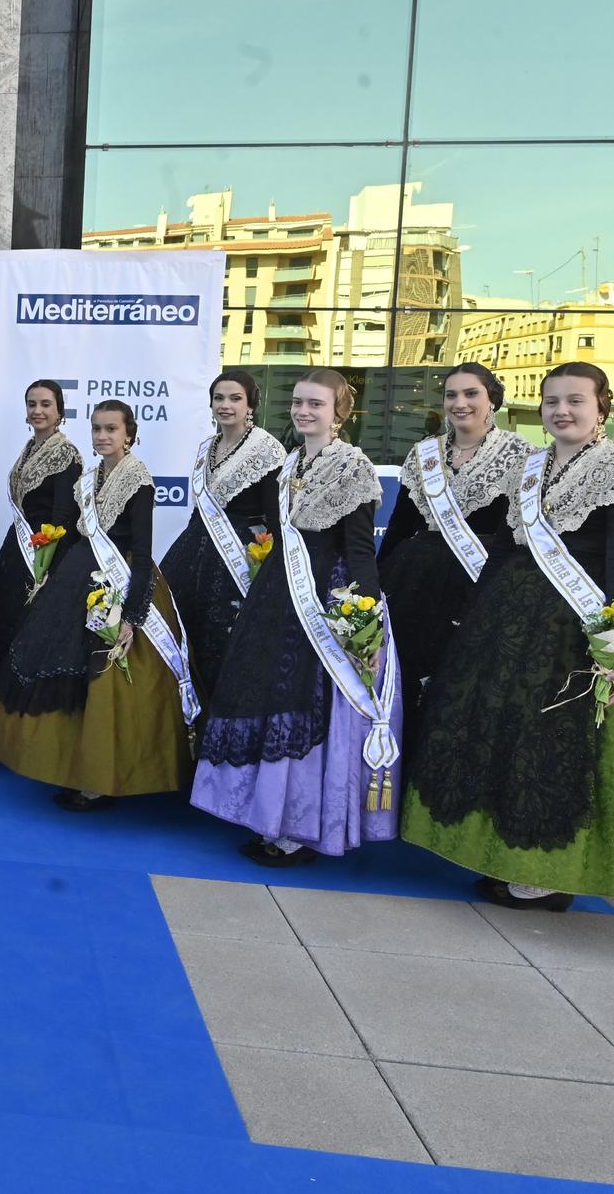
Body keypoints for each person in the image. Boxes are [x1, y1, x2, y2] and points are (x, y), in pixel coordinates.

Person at [403, 362, 614, 908]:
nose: (561, 411)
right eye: (552, 401)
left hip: (581, 627)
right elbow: (509, 547)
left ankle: (551, 873)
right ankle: (504, 852)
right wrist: (475, 613)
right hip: (513, 620)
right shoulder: (531, 468)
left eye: (575, 401)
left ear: (602, 406)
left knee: (557, 741)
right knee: (506, 734)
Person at [191, 369, 398, 866]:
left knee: (306, 705)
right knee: (269, 695)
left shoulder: (354, 467)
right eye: (299, 403)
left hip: (325, 598)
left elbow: (359, 548)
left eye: (316, 405)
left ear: (339, 412)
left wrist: (362, 621)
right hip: (279, 592)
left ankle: (300, 828)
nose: (305, 412)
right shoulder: (291, 464)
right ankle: (268, 817)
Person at [0, 401, 194, 810]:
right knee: (69, 679)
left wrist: (133, 616)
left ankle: (101, 779)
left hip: (119, 581)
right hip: (78, 578)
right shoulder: (90, 477)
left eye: (112, 429)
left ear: (129, 434)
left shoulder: (139, 481)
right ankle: (71, 767)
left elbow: (142, 548)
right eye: (97, 429)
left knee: (106, 686)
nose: (103, 436)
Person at [378, 363, 532, 749]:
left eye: (471, 394)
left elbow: (518, 532)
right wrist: (374, 587)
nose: (459, 403)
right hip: (415, 580)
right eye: (451, 395)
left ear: (492, 399)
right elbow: (400, 525)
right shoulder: (423, 454)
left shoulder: (522, 454)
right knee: (407, 674)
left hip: (479, 579)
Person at [158, 370, 285, 708]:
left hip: (239, 555)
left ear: (250, 405)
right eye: (219, 398)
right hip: (195, 550)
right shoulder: (206, 447)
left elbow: (275, 517)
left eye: (235, 398)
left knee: (223, 641)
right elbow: (200, 509)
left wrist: (270, 570)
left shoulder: (268, 449)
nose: (225, 405)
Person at [0, 380, 84, 672]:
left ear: (59, 411)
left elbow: (64, 515)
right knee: (0, 620)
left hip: (44, 554)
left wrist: (49, 567)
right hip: (19, 547)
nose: (38, 411)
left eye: (45, 404)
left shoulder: (67, 454)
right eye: (32, 404)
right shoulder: (29, 449)